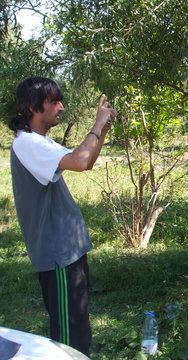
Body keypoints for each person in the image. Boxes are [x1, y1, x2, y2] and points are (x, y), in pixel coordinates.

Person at [8, 77, 115, 356]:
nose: (61, 107)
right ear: (33, 106)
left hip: (67, 251)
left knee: (78, 328)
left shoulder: (41, 142)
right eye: (54, 101)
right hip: (57, 255)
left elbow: (86, 162)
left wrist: (102, 129)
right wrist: (95, 125)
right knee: (69, 339)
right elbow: (80, 161)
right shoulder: (27, 144)